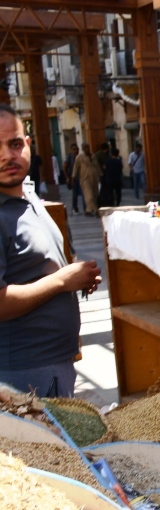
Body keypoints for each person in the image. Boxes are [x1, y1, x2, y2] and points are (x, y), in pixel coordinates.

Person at [0, 104, 101, 396]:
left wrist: (75, 278)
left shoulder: (29, 197)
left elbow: (34, 268)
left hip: (52, 363)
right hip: (23, 372)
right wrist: (60, 281)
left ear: (28, 144)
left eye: (14, 144)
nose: (7, 155)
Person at [72, 143, 100, 216]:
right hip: (85, 178)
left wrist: (100, 175)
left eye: (88, 147)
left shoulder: (93, 156)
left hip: (94, 178)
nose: (87, 149)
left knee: (95, 194)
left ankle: (88, 210)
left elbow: (97, 166)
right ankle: (96, 210)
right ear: (83, 149)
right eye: (85, 148)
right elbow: (75, 168)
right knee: (89, 195)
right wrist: (73, 177)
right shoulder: (80, 157)